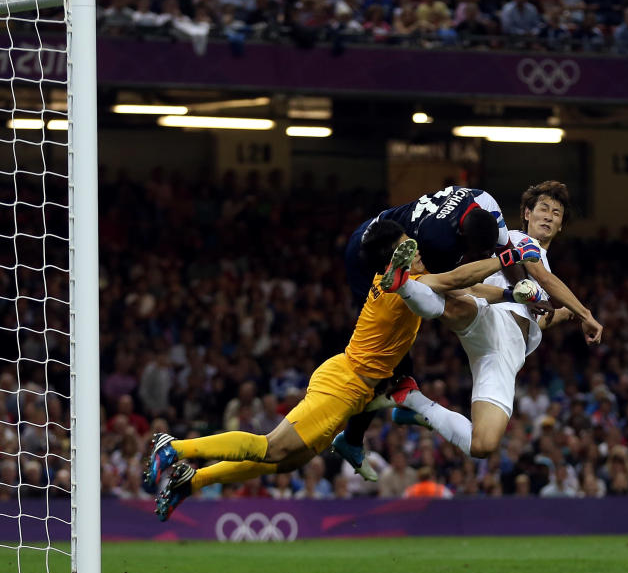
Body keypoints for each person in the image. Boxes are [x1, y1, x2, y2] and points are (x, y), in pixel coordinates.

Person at [143, 222, 542, 520]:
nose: (418, 252)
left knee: (286, 462)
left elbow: (468, 289)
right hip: (345, 383)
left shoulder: (413, 281)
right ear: (394, 260)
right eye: (408, 248)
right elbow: (456, 279)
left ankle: (189, 481)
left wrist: (510, 294)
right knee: (271, 448)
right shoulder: (398, 284)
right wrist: (504, 259)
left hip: (355, 386)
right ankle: (174, 447)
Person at [378, 181, 603, 459]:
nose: (548, 216)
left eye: (556, 214)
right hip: (492, 315)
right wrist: (585, 314)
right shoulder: (519, 241)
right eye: (543, 209)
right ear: (527, 214)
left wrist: (565, 314)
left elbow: (536, 319)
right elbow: (545, 279)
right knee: (457, 304)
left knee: (483, 444)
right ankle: (403, 283)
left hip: (506, 355)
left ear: (560, 227)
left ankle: (413, 403)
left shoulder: (544, 264)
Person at [343, 183, 510, 303]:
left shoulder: (469, 197)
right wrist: (508, 293)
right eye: (474, 252)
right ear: (463, 236)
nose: (475, 257)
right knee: (378, 326)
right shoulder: (440, 242)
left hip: (383, 226)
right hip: (369, 249)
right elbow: (455, 285)